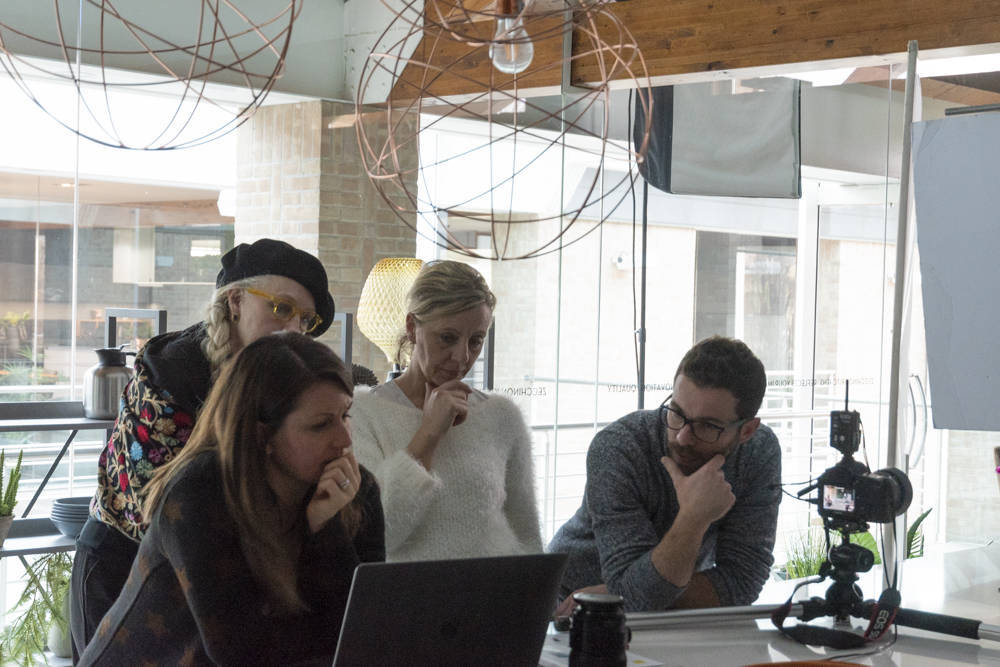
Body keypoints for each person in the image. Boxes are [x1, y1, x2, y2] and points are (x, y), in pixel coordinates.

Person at [71, 238, 337, 655]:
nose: (294, 328)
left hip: (215, 581)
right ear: (235, 301)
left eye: (306, 319)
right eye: (281, 308)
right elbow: (169, 506)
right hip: (121, 569)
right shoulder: (169, 374)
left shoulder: (275, 385)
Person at [78, 332, 384, 665]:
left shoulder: (354, 489)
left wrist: (326, 527)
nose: (344, 439)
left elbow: (365, 632)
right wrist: (317, 537)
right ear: (262, 434)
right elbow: (242, 652)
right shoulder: (201, 492)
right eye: (321, 425)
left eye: (346, 415)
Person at [548, 336, 781, 614]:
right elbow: (635, 596)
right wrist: (693, 518)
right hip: (566, 602)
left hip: (657, 613)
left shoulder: (759, 452)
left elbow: (743, 581)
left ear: (747, 431)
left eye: (708, 426)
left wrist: (622, 594)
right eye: (677, 413)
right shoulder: (619, 447)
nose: (682, 437)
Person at [351, 260, 542, 561]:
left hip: (496, 588)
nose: (462, 357)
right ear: (412, 328)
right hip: (409, 590)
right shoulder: (363, 413)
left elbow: (527, 537)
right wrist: (429, 432)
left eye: (476, 341)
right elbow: (376, 534)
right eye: (447, 337)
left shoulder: (501, 415)